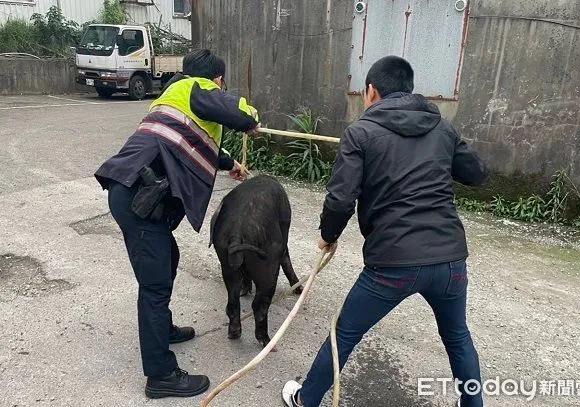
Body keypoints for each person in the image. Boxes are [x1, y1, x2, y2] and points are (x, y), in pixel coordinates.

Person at [282, 56, 489, 407]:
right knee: (457, 336)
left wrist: (327, 236)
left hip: (393, 264)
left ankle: (306, 399)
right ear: (409, 89)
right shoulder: (443, 128)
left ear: (371, 91)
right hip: (450, 262)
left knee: (344, 332)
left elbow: (341, 199)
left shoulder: (361, 132)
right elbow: (477, 174)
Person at [94, 49, 260, 399]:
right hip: (139, 198)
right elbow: (237, 112)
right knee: (154, 287)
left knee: (168, 257)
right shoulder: (194, 88)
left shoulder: (175, 96)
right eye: (221, 84)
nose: (220, 88)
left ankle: (163, 329)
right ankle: (161, 375)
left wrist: (230, 164)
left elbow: (190, 140)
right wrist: (251, 119)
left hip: (135, 193)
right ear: (215, 80)